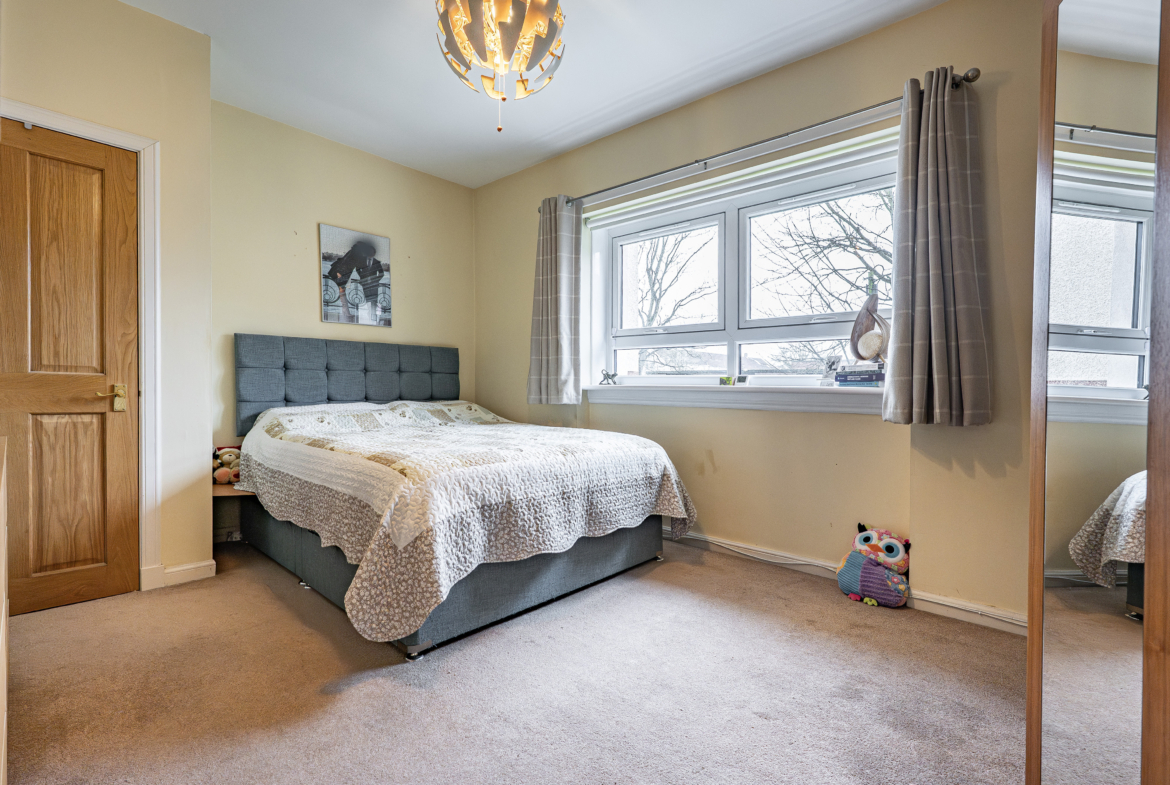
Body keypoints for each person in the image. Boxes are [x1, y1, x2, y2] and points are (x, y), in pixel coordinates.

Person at [325, 241, 387, 323]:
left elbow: (353, 265)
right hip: (343, 274)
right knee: (342, 290)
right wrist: (340, 273)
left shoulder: (356, 254)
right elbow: (347, 263)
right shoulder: (356, 254)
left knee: (343, 291)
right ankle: (346, 312)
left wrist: (373, 280)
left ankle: (347, 312)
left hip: (346, 274)